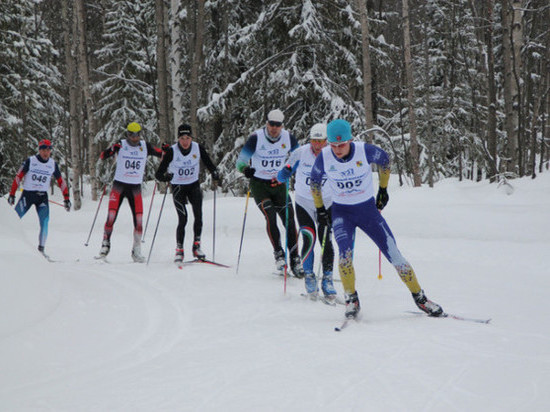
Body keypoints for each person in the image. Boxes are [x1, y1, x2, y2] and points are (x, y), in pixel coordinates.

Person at [310, 119, 443, 319]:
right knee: (345, 256)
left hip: (367, 211)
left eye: (342, 144)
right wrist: (320, 209)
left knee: (395, 254)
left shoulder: (365, 150)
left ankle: (421, 299)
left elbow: (385, 161)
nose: (337, 149)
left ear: (350, 140)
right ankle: (351, 299)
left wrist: (383, 189)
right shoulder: (325, 157)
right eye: (333, 145)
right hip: (341, 213)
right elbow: (315, 182)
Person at [236, 109, 305, 277]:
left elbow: (300, 157)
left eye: (278, 125)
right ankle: (279, 255)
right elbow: (240, 161)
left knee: (289, 220)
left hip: (279, 185)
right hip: (260, 185)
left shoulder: (288, 138)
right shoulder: (256, 138)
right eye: (271, 124)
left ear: (282, 126)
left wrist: (289, 171)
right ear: (266, 123)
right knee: (271, 216)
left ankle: (295, 259)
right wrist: (246, 170)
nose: (274, 128)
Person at [277, 123, 337, 300]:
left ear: (327, 141)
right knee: (308, 237)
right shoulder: (300, 153)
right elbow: (282, 174)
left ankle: (327, 278)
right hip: (304, 202)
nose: (317, 145)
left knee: (325, 238)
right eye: (314, 141)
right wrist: (285, 173)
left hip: (326, 203)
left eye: (321, 141)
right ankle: (310, 275)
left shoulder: (333, 154)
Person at [155, 123, 221, 263]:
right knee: (183, 218)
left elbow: (209, 163)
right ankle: (179, 249)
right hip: (178, 187)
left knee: (198, 215)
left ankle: (196, 246)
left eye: (188, 138)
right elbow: (158, 174)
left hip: (193, 186)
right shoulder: (172, 151)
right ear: (178, 139)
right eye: (182, 138)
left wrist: (214, 172)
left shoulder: (197, 148)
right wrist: (166, 177)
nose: (185, 141)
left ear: (191, 138)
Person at [98, 122, 162, 262]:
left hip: (135, 188)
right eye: (131, 135)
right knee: (111, 216)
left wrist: (168, 150)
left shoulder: (145, 146)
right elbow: (103, 156)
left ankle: (136, 250)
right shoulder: (121, 144)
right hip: (119, 186)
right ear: (127, 134)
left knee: (139, 221)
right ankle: (105, 243)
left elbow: (161, 153)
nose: (134, 138)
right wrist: (112, 150)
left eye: (137, 134)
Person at [7, 139, 71, 258]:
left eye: (48, 150)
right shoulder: (31, 161)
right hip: (28, 195)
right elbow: (18, 177)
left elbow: (61, 181)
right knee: (14, 219)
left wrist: (66, 198)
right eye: (44, 150)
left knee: (45, 222)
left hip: (42, 197)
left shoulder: (52, 164)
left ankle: (41, 251)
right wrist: (12, 194)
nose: (46, 152)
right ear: (39, 150)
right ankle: (8, 244)